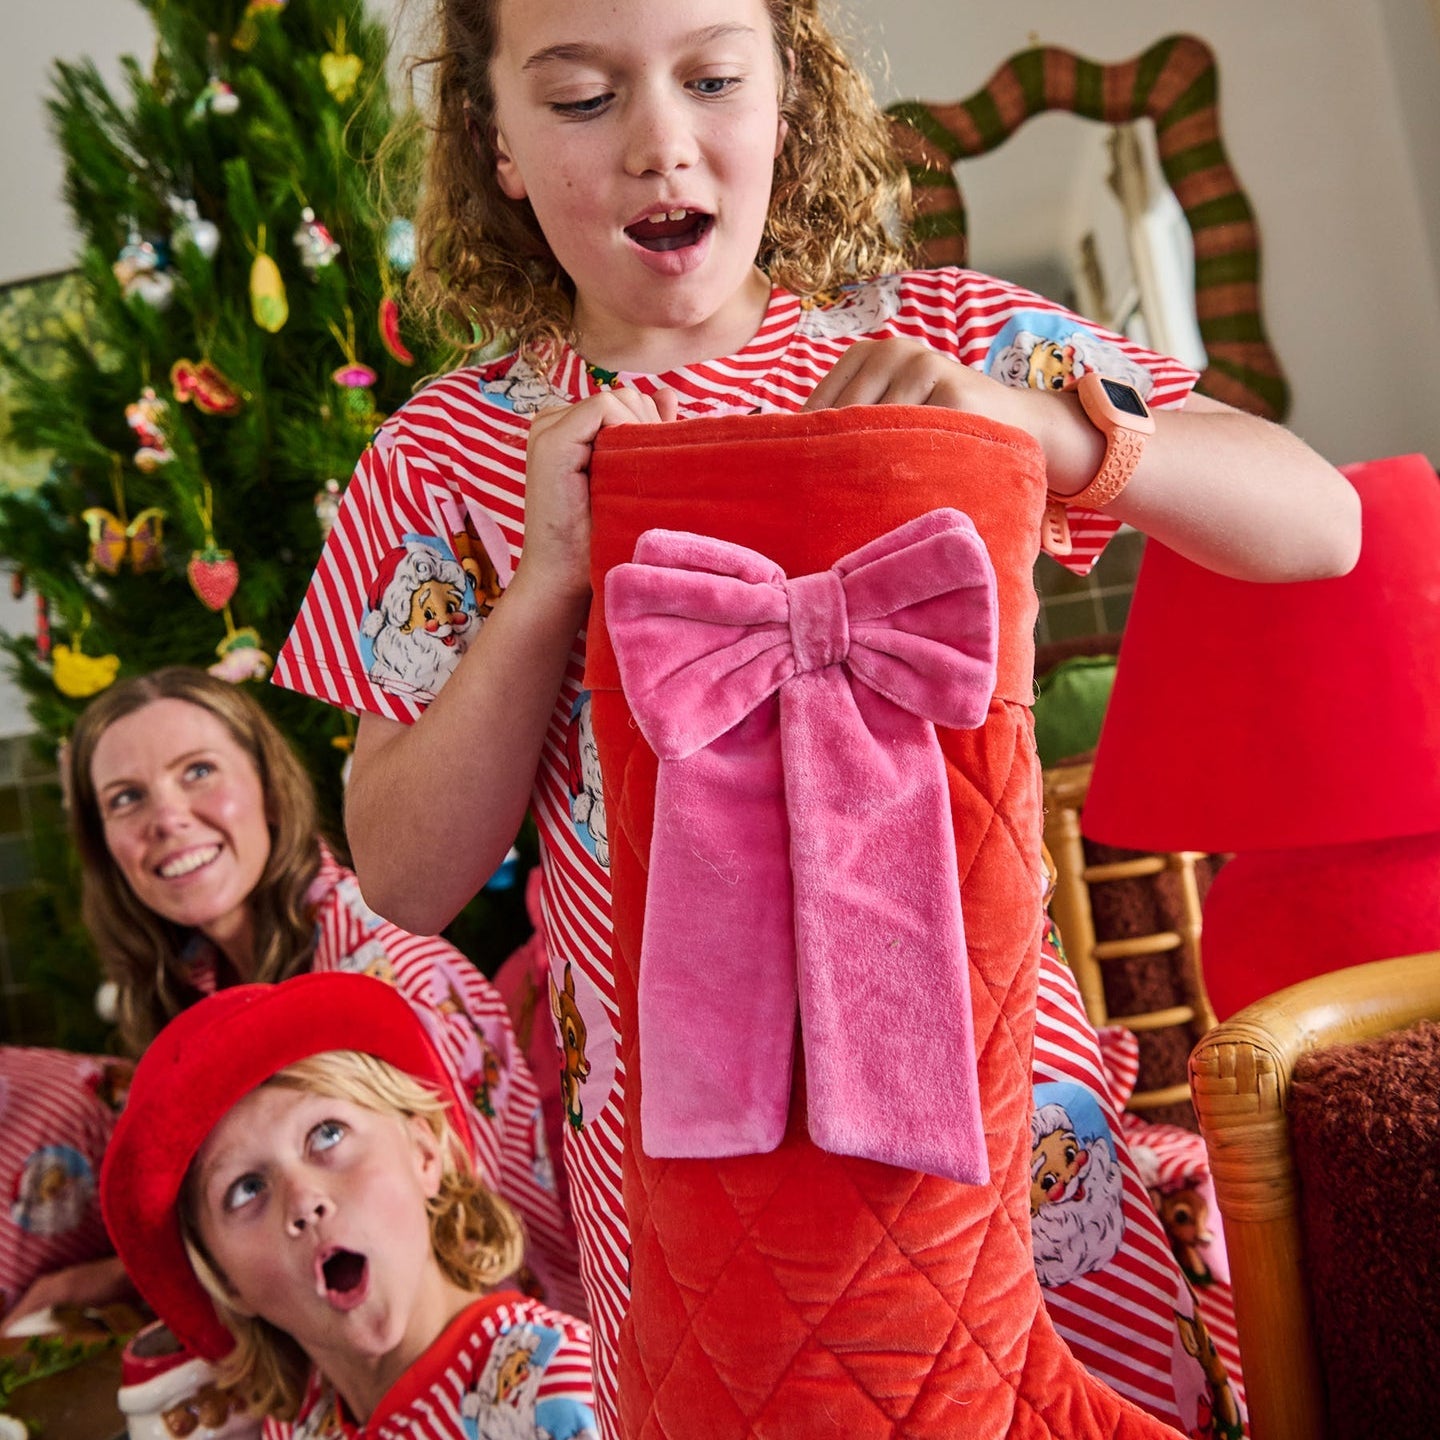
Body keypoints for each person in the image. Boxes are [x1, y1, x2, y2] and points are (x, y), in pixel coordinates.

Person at [272, 0, 1360, 1431]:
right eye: (583, 100)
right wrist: (544, 589)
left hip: (1012, 1140)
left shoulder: (942, 334)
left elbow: (1320, 521)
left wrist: (1037, 427)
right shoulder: (444, 459)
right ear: (500, 146)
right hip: (692, 1179)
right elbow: (403, 873)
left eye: (714, 78)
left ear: (786, 92)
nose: (665, 142)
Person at [53, 667, 582, 1324]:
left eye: (198, 771)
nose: (167, 817)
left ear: (269, 790)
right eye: (126, 799)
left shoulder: (388, 967)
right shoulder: (195, 981)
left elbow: (478, 1248)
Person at [100, 970, 598, 1438]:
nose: (304, 1200)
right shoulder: (303, 1420)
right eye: (246, 1188)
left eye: (328, 1135)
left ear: (426, 1155)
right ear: (225, 1280)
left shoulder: (563, 1390)